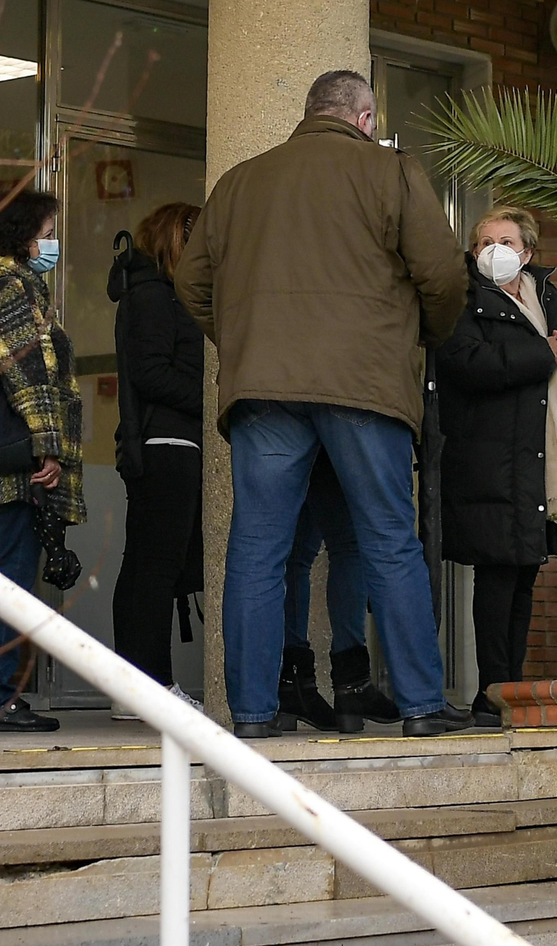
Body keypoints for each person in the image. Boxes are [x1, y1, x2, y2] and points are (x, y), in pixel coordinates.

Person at [175, 69, 470, 739]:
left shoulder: (240, 182)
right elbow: (445, 275)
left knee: (257, 546)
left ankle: (251, 713)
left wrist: (248, 342)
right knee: (389, 540)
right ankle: (422, 705)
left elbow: (192, 280)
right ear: (364, 118)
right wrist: (418, 336)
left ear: (309, 113)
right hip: (364, 382)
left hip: (264, 388)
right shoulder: (390, 172)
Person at [437, 207, 557, 728]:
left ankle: (513, 689)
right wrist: (544, 356)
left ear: (527, 251)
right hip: (490, 460)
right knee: (496, 577)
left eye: (504, 240)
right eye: (484, 242)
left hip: (537, 460)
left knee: (524, 575)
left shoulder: (544, 297)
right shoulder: (462, 299)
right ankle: (492, 692)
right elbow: (464, 365)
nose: (493, 250)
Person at [0, 189, 84, 733]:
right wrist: (46, 446)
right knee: (7, 582)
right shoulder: (8, 289)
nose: (51, 243)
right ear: (23, 236)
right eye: (47, 232)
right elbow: (26, 374)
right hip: (10, 467)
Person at [108, 202, 207, 718]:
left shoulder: (155, 295)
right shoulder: (151, 297)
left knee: (149, 567)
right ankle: (148, 684)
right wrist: (207, 398)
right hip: (165, 446)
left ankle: (138, 687)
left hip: (165, 445)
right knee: (155, 570)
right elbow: (150, 373)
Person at [279, 456, 399, 733]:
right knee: (348, 546)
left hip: (287, 431)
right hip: (331, 431)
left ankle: (293, 688)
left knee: (295, 557)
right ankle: (352, 685)